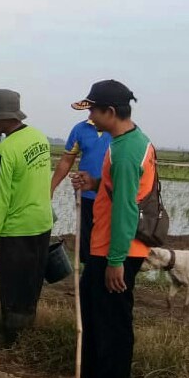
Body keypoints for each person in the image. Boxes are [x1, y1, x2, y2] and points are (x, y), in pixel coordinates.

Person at [69, 80, 151, 378]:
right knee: (92, 306)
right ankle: (89, 375)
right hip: (103, 244)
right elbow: (116, 188)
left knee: (113, 316)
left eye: (93, 109)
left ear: (111, 112)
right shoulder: (120, 143)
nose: (90, 114)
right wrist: (92, 181)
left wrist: (116, 261)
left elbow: (127, 210)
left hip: (120, 249)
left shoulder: (129, 151)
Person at [0, 89, 53, 344]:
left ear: (1, 117)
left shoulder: (5, 149)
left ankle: (10, 341)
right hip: (42, 224)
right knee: (31, 285)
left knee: (11, 288)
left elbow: (0, 198)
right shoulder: (40, 138)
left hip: (17, 229)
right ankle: (26, 335)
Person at [51, 113, 112, 264]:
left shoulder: (118, 131)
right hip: (85, 195)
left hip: (112, 196)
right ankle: (89, 274)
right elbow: (66, 160)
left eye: (94, 108)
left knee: (109, 238)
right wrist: (50, 188)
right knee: (86, 237)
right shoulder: (80, 129)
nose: (91, 112)